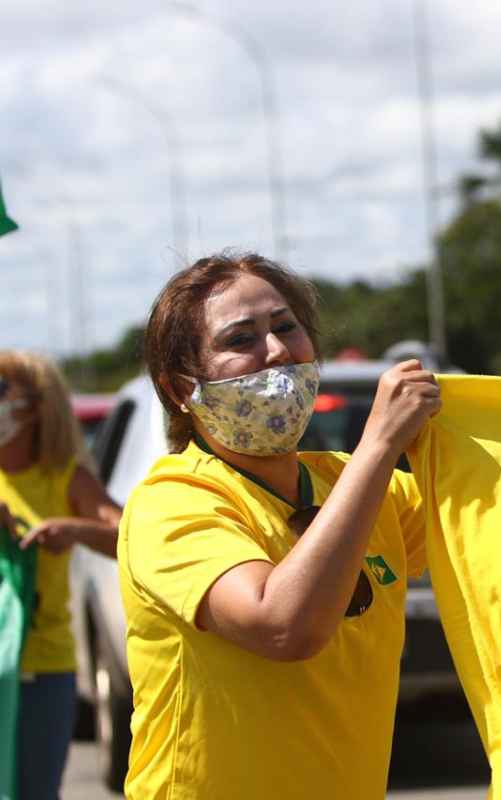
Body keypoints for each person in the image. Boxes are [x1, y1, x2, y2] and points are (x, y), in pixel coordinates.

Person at [117, 252, 440, 799]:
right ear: (180, 389)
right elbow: (284, 625)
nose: (275, 351)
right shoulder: (171, 503)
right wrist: (380, 444)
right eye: (241, 339)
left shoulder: (348, 482)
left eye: (286, 327)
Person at [0, 350, 122, 800]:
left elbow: (129, 538)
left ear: (34, 406)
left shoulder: (66, 479)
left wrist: (73, 531)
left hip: (43, 671)